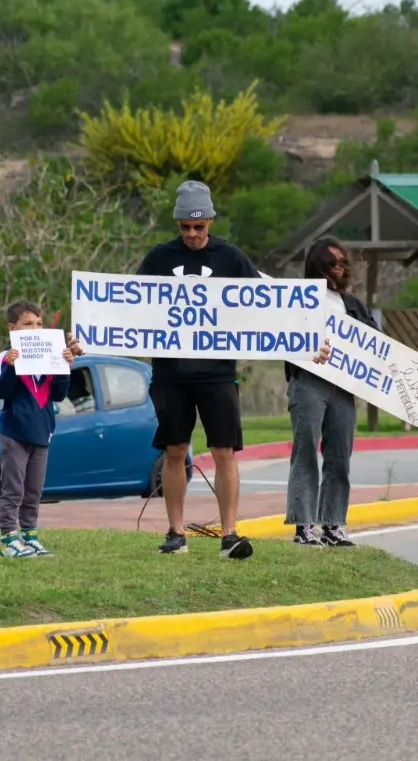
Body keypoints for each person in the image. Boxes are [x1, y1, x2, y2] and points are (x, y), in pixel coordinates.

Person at [135, 180, 329, 559]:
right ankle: (175, 533)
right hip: (171, 374)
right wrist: (87, 337)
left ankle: (230, 534)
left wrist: (306, 343)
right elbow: (125, 309)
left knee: (224, 450)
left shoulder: (231, 257)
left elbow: (266, 307)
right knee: (175, 451)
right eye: (184, 228)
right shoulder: (158, 258)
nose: (192, 234)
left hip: (218, 373)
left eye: (199, 227)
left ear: (210, 220)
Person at [285, 238, 377, 547]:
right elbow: (280, 335)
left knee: (340, 455)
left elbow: (381, 348)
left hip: (343, 387)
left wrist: (415, 382)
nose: (338, 269)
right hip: (309, 381)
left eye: (341, 264)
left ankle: (333, 524)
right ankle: (303, 525)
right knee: (306, 451)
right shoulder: (298, 298)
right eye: (331, 264)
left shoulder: (352, 305)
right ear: (317, 266)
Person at [0, 300, 77, 558]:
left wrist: (64, 368)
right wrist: (11, 368)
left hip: (42, 431)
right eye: (28, 324)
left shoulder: (51, 354)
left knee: (34, 490)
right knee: (13, 488)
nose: (35, 329)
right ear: (12, 328)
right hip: (14, 432)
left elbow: (59, 395)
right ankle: (8, 539)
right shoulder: (4, 358)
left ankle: (30, 536)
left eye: (39, 324)